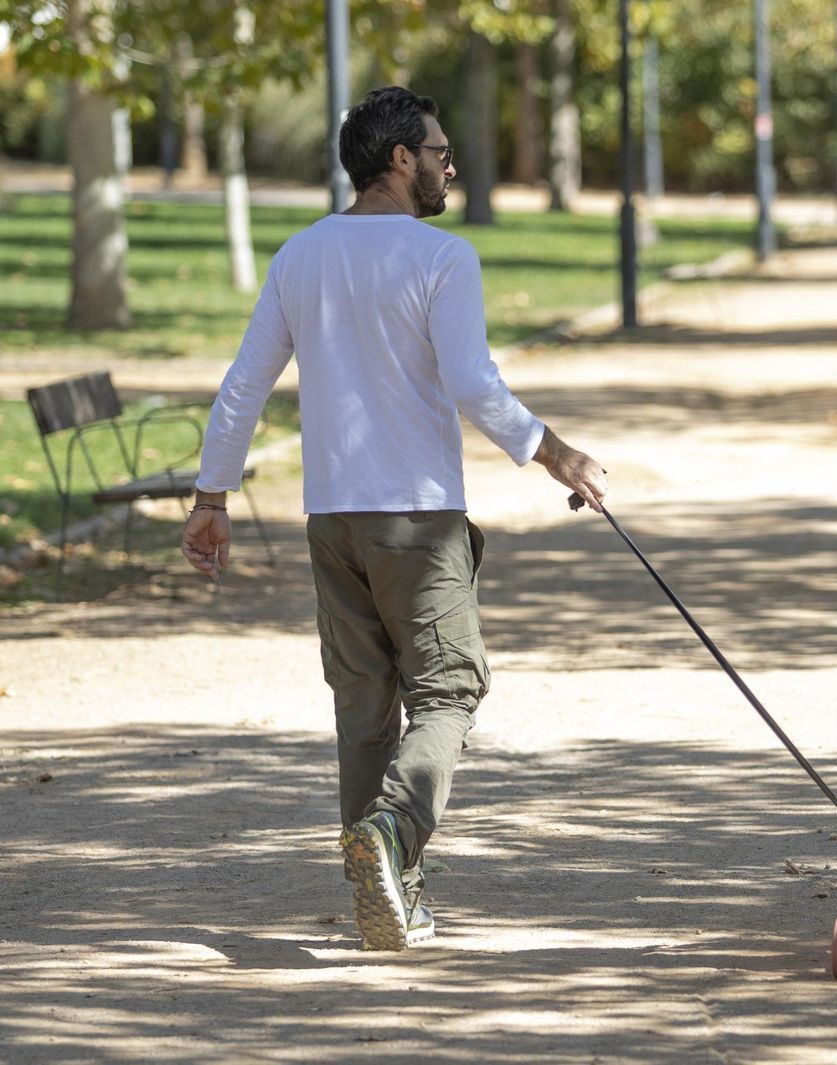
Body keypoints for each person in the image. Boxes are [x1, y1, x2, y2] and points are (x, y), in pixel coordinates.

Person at [179, 86, 608, 951]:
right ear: (400, 158)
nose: (452, 163)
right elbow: (473, 383)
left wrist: (211, 498)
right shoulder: (441, 257)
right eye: (441, 150)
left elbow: (242, 388)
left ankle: (390, 892)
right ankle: (392, 835)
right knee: (450, 689)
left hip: (331, 518)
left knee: (364, 705)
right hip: (415, 517)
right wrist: (557, 455)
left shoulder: (300, 255)